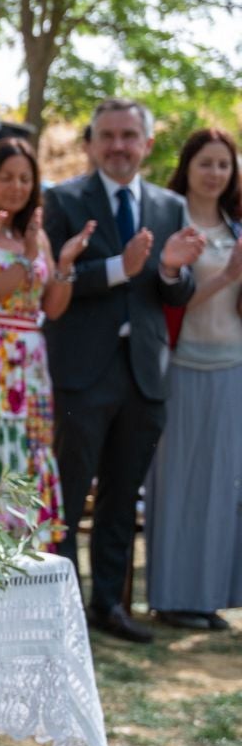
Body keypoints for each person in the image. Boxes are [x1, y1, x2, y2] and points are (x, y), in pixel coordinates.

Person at [42, 97, 203, 643]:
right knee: (66, 493)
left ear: (147, 144)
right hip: (81, 373)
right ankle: (58, 607)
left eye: (129, 136)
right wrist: (117, 268)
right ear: (90, 143)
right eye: (107, 135)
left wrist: (173, 270)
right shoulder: (61, 200)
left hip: (144, 376)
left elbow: (173, 291)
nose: (118, 146)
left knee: (121, 496)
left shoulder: (169, 206)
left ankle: (109, 604)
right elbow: (55, 282)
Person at [0, 139, 87, 544]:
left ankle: (24, 540)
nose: (16, 186)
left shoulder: (38, 237)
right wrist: (24, 258)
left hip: (31, 359)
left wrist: (63, 265)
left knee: (32, 445)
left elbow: (53, 306)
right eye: (6, 178)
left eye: (24, 178)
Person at [146, 127, 242, 630]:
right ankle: (173, 597)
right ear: (188, 166)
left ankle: (209, 597)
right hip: (181, 365)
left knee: (223, 487)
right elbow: (169, 302)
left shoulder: (237, 226)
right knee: (178, 484)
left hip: (233, 367)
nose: (215, 173)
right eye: (206, 163)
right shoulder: (171, 221)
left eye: (224, 164)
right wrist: (225, 277)